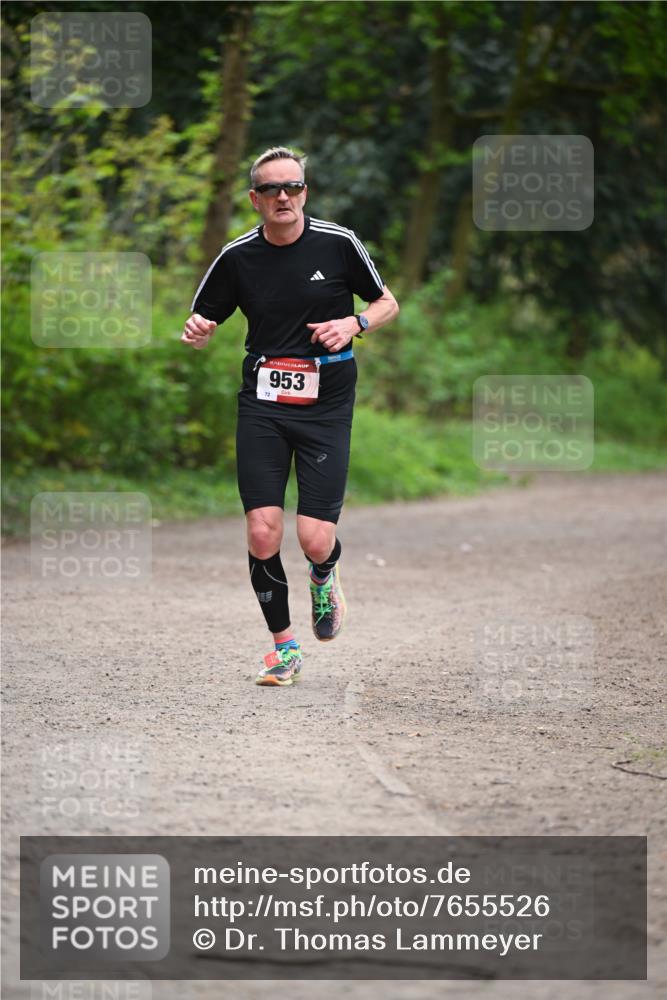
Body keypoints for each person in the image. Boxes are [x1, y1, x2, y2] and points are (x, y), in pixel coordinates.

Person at [181, 146, 399, 687]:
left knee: (314, 539)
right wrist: (199, 331)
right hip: (263, 403)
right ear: (254, 199)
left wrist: (354, 324)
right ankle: (284, 649)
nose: (284, 196)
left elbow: (387, 303)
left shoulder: (338, 242)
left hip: (326, 404)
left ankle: (324, 575)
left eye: (293, 187)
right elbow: (203, 319)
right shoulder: (237, 257)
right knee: (262, 531)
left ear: (305, 192)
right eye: (272, 189)